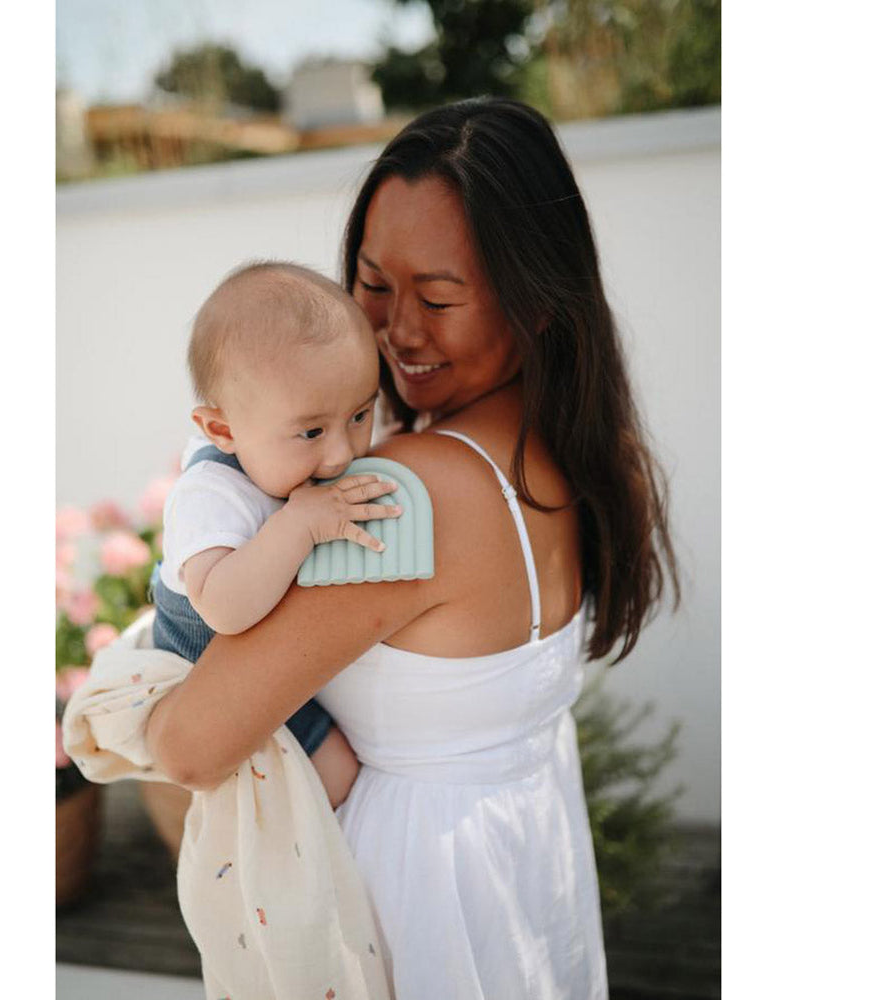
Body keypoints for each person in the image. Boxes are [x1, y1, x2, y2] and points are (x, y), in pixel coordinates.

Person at [145, 98, 678, 1000]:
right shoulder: (570, 452)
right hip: (516, 872)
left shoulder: (406, 495)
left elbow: (193, 746)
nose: (395, 331)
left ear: (537, 301)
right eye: (372, 283)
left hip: (413, 901)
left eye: (438, 298)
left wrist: (138, 688)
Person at [152, 260, 403, 808]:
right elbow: (223, 607)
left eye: (361, 414)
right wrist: (299, 524)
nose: (342, 453)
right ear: (223, 431)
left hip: (273, 664)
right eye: (311, 431)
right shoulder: (211, 497)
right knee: (339, 776)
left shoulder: (297, 446)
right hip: (208, 677)